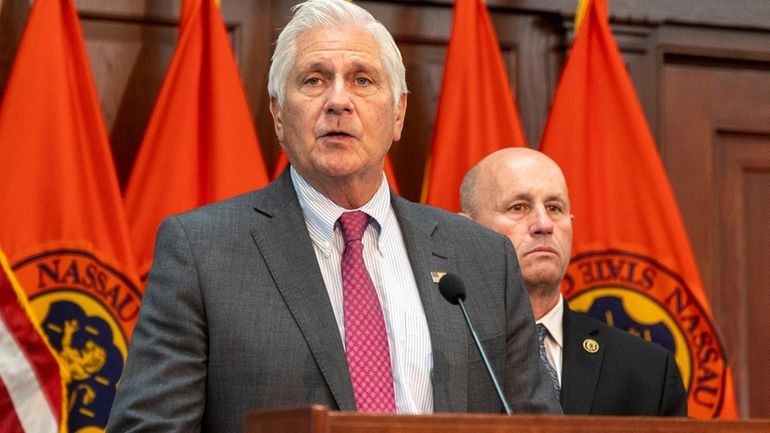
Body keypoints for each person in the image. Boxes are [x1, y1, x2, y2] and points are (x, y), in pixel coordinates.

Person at [106, 1, 561, 432]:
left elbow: (538, 424)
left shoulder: (482, 259)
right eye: (314, 80)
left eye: (363, 80)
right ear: (279, 114)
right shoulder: (202, 252)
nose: (338, 101)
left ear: (398, 113)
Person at [460, 147, 688, 416]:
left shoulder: (647, 370)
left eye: (554, 208)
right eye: (518, 207)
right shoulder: (434, 352)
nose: (544, 224)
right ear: (466, 229)